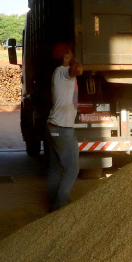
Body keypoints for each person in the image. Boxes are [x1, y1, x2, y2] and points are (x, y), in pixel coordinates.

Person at [47, 49, 83, 211]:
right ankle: (60, 207)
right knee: (72, 168)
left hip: (54, 125)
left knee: (56, 167)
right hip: (62, 128)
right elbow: (78, 70)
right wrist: (72, 61)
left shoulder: (58, 73)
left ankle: (53, 202)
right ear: (65, 56)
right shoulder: (63, 72)